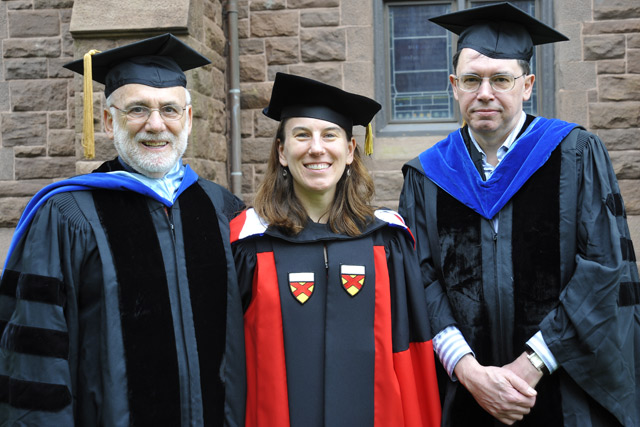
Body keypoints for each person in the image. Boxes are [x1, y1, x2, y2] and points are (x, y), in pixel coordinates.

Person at [399, 2, 640, 426]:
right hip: (465, 392)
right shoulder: (429, 174)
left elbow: (604, 266)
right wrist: (469, 372)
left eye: (501, 79)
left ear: (527, 85)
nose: (485, 93)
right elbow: (419, 279)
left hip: (562, 389)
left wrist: (529, 366)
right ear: (454, 86)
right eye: (472, 80)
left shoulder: (576, 154)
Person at [0, 33, 246, 425]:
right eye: (137, 109)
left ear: (189, 118)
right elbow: (35, 353)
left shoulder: (221, 208)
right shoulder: (66, 215)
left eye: (169, 109)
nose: (155, 125)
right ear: (108, 119)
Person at [230, 72, 441, 426]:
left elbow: (412, 355)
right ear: (282, 152)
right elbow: (230, 360)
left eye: (330, 135)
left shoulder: (388, 242)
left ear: (349, 150)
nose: (316, 148)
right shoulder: (248, 243)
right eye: (301, 135)